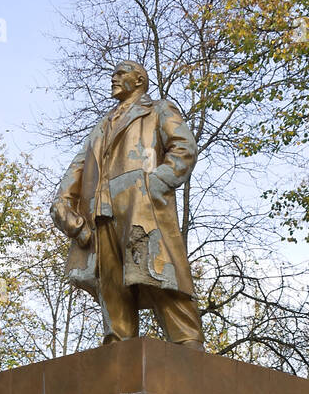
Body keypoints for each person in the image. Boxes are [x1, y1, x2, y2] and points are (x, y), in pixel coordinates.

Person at [50, 60, 204, 345]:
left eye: (121, 74)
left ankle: (187, 344)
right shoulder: (99, 129)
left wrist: (153, 184)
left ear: (140, 80)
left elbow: (184, 147)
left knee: (158, 273)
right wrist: (66, 208)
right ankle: (118, 344)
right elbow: (76, 171)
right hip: (101, 213)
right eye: (113, 74)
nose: (114, 79)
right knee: (110, 282)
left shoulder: (158, 109)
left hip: (139, 206)